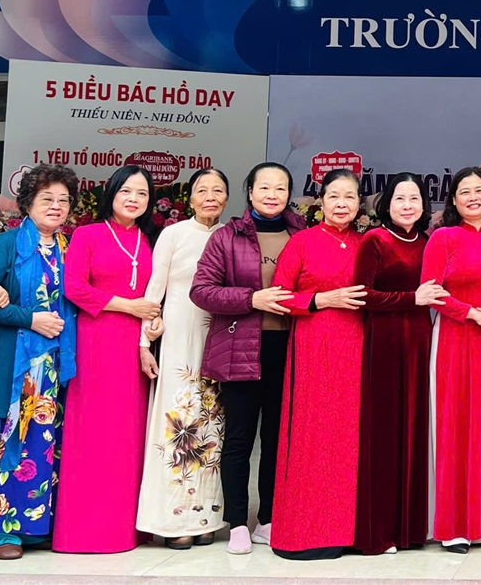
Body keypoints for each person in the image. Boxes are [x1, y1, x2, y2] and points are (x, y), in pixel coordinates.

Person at [189, 162, 305, 554]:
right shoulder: (227, 236)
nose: (272, 194)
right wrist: (252, 298)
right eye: (264, 187)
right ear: (250, 192)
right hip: (241, 347)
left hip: (290, 348)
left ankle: (267, 519)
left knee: (276, 439)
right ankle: (237, 521)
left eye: (281, 188)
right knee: (239, 439)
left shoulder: (301, 235)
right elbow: (202, 290)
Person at [0, 163, 80, 559]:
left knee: (42, 447)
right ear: (28, 202)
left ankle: (32, 529)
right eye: (47, 198)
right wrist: (29, 319)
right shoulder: (8, 244)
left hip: (51, 368)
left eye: (63, 200)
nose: (56, 206)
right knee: (1, 445)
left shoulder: (70, 248)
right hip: (10, 363)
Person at [54, 166, 161, 554]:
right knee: (92, 432)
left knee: (128, 434)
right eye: (126, 191)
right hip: (95, 341)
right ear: (111, 194)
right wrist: (128, 306)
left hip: (135, 348)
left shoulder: (149, 241)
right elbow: (73, 287)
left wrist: (153, 323)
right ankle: (82, 531)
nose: (133, 199)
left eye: (142, 194)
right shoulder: (88, 234)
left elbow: (157, 296)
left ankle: (124, 529)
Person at [268, 168, 368, 560]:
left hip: (359, 348)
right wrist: (321, 300)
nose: (342, 204)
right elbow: (279, 295)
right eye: (334, 196)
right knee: (313, 436)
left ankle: (347, 530)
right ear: (321, 201)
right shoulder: (303, 242)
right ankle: (304, 531)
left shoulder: (367, 244)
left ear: (360, 204)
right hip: (313, 348)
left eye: (350, 197)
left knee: (350, 439)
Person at [421, 167, 481, 553]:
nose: (473, 197)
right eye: (465, 191)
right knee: (453, 427)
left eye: (480, 190)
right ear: (454, 200)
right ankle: (453, 526)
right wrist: (473, 313)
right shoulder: (442, 238)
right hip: (454, 339)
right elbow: (430, 291)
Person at [137, 169, 228, 547]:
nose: (210, 196)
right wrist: (144, 341)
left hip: (219, 336)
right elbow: (154, 288)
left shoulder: (230, 235)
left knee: (212, 424)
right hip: (177, 335)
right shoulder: (174, 234)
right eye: (202, 190)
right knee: (177, 420)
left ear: (227, 198)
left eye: (218, 190)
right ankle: (173, 519)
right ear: (189, 198)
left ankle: (206, 515)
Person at [355, 173, 445, 555]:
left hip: (421, 343)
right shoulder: (375, 240)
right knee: (385, 433)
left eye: (414, 198)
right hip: (384, 342)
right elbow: (363, 295)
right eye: (399, 198)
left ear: (424, 205)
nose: (407, 205)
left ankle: (412, 529)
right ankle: (380, 531)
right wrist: (412, 298)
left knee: (415, 430)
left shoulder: (428, 243)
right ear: (386, 204)